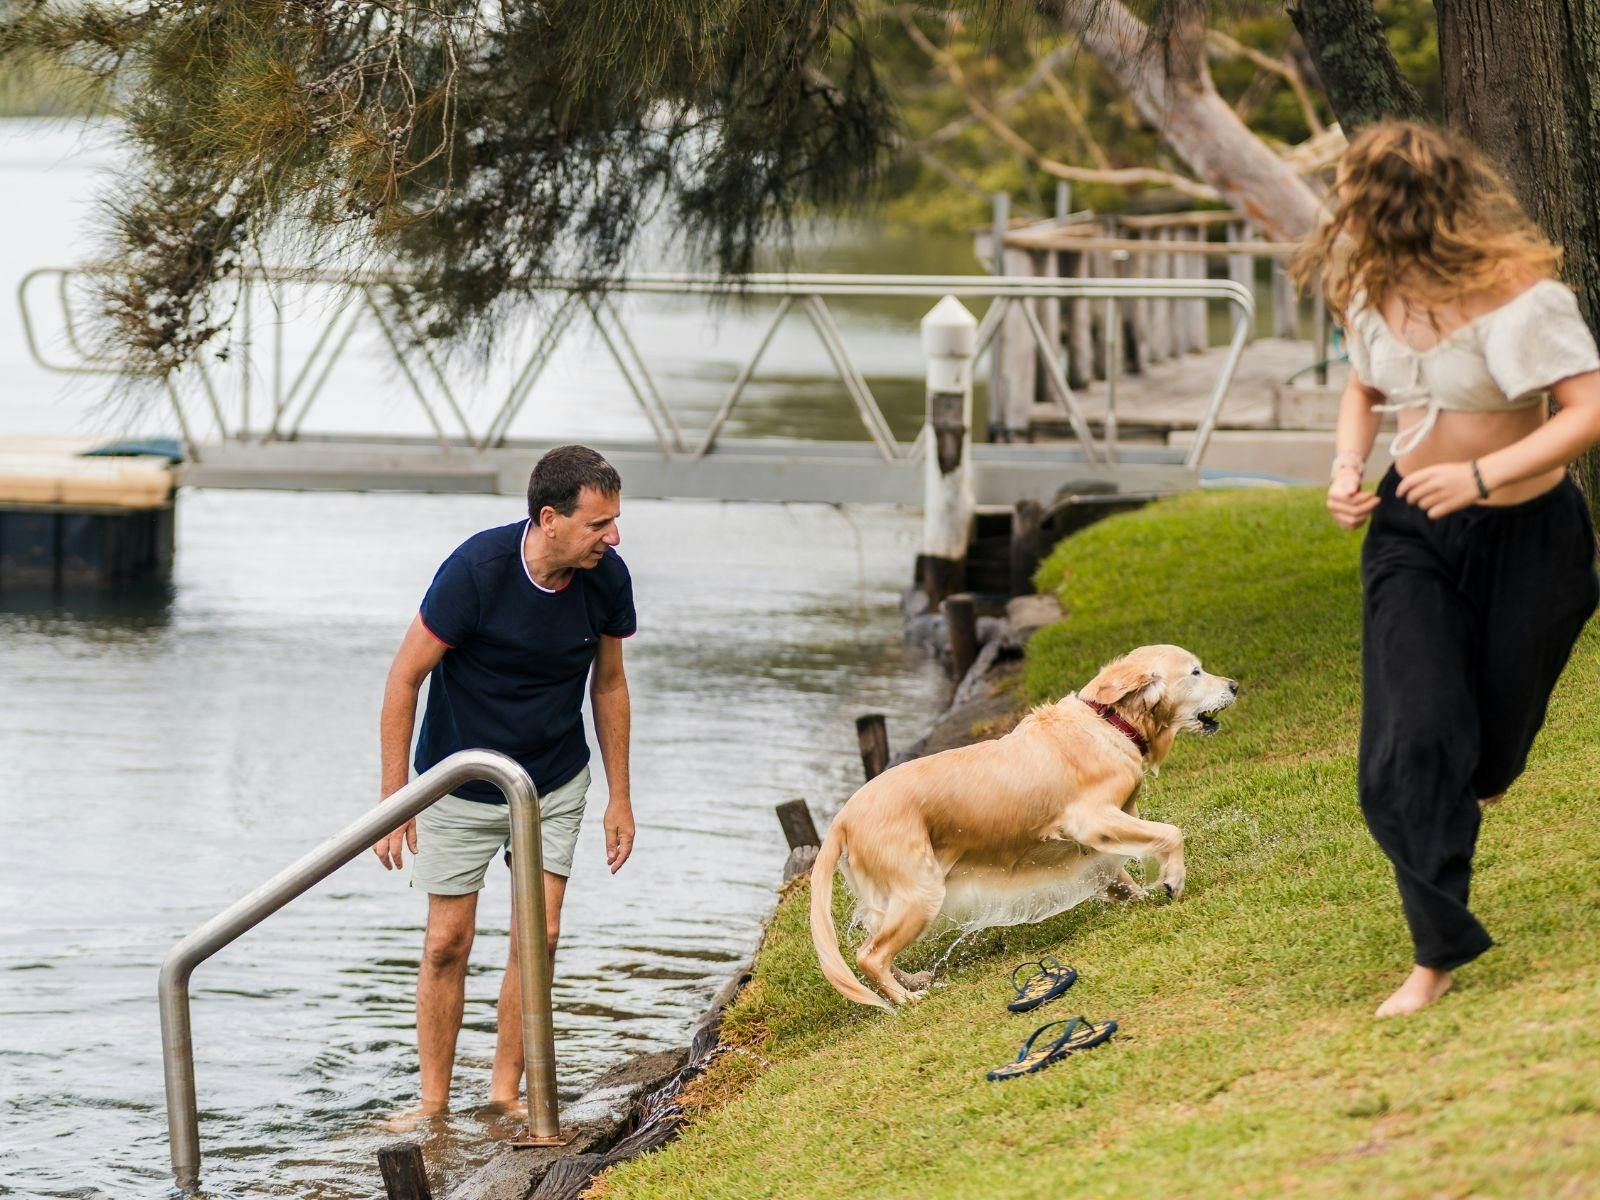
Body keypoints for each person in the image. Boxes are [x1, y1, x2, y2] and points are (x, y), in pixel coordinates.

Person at [1294, 121, 1600, 1018]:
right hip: (1411, 532)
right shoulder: (1365, 289)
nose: (1350, 228)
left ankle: (1480, 771)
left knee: (1488, 754)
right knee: (1415, 742)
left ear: (1418, 211)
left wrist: (1480, 475)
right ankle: (1437, 953)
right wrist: (1349, 469)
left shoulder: (1516, 296)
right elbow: (1366, 389)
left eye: (1364, 210)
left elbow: (1586, 408)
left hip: (1529, 537)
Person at [372, 444, 637, 1116]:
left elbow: (608, 685)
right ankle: (433, 1106)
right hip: (457, 782)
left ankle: (503, 1096)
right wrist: (395, 798)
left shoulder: (607, 579)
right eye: (597, 524)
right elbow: (405, 678)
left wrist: (621, 796)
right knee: (444, 945)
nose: (613, 536)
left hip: (552, 779)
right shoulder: (476, 572)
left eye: (613, 522)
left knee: (538, 938)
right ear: (550, 519)